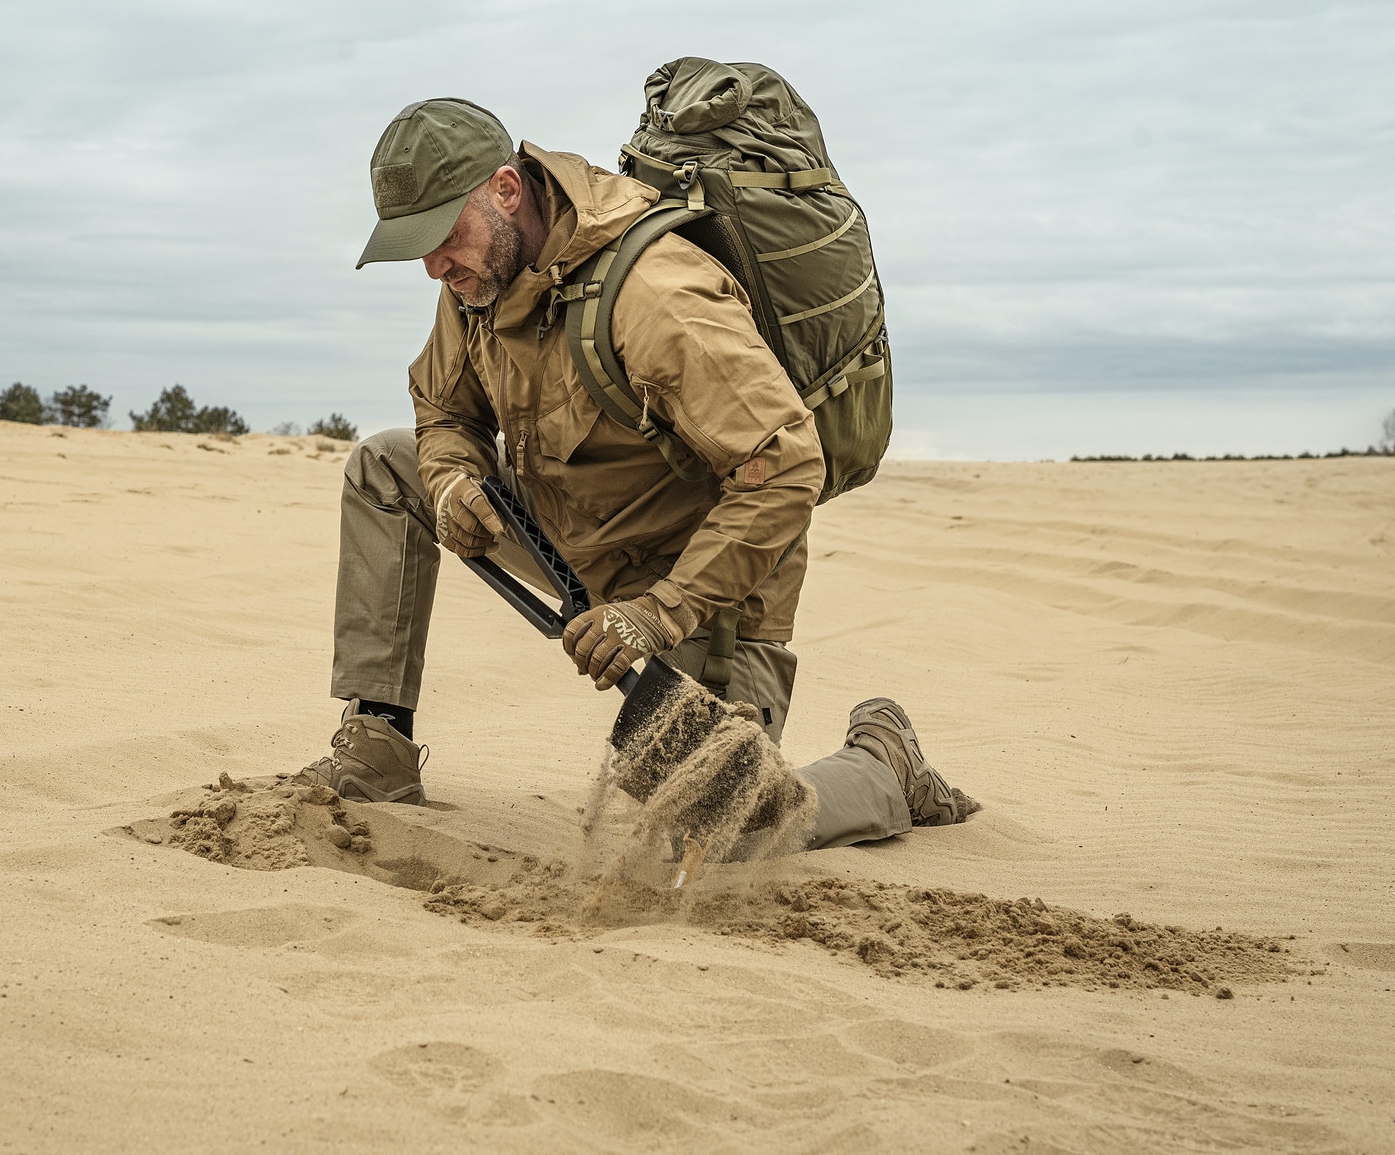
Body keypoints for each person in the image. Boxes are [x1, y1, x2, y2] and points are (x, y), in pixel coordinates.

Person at [297, 97, 976, 848]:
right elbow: (442, 407)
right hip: (570, 538)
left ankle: (885, 761)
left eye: (440, 236)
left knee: (728, 822)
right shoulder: (476, 280)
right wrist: (454, 476)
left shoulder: (655, 293)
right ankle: (377, 749)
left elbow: (785, 468)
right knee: (386, 468)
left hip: (703, 587)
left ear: (504, 190)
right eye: (414, 246)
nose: (432, 265)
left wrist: (656, 613)